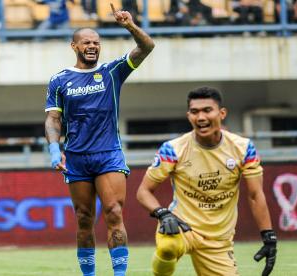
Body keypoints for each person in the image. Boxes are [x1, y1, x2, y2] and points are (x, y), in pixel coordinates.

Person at [44, 3, 154, 276]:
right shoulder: (59, 80)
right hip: (77, 158)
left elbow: (147, 47)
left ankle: (119, 274)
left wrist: (129, 25)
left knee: (114, 212)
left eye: (96, 42)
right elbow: (53, 119)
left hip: (109, 154)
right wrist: (54, 151)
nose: (92, 46)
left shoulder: (112, 71)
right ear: (74, 47)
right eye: (86, 42)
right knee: (83, 219)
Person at [136, 87, 277, 276]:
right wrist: (163, 214)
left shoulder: (244, 148)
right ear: (188, 116)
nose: (201, 117)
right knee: (167, 247)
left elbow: (255, 195)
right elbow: (143, 191)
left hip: (218, 239)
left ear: (222, 113)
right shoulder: (173, 149)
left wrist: (268, 236)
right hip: (182, 227)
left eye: (207, 110)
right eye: (195, 112)